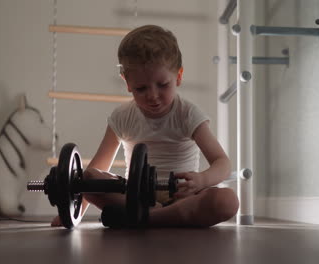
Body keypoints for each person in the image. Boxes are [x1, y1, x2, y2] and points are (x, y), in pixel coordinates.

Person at [52, 25, 238, 228]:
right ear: (127, 82)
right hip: (135, 196)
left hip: (181, 197)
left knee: (227, 201)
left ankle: (145, 218)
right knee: (88, 177)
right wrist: (71, 214)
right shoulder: (122, 116)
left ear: (179, 76)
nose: (153, 96)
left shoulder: (188, 114)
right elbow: (98, 168)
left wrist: (202, 180)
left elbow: (222, 163)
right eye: (141, 88)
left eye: (163, 85)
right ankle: (159, 216)